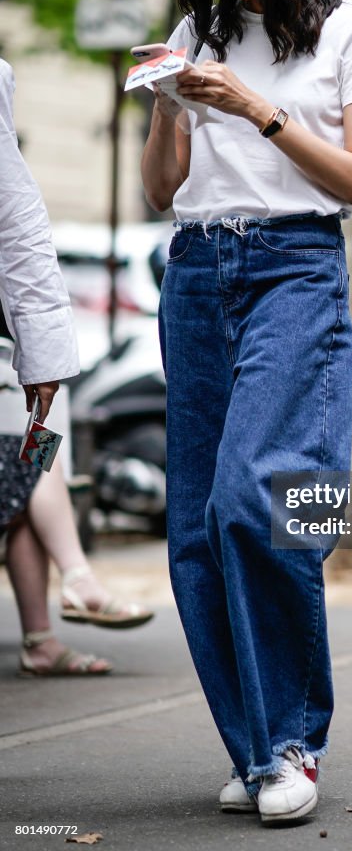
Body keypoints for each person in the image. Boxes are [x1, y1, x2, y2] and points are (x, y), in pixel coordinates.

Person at [140, 0, 352, 826]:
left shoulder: (350, 27)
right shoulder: (194, 28)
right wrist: (171, 106)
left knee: (258, 496)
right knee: (199, 527)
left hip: (293, 265)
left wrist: (256, 110)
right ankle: (254, 748)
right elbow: (161, 191)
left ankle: (291, 741)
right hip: (197, 270)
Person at [0, 59, 153, 675]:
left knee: (38, 448)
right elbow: (20, 232)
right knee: (37, 455)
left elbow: (18, 232)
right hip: (16, 382)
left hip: (13, 366)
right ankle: (78, 582)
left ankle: (45, 634)